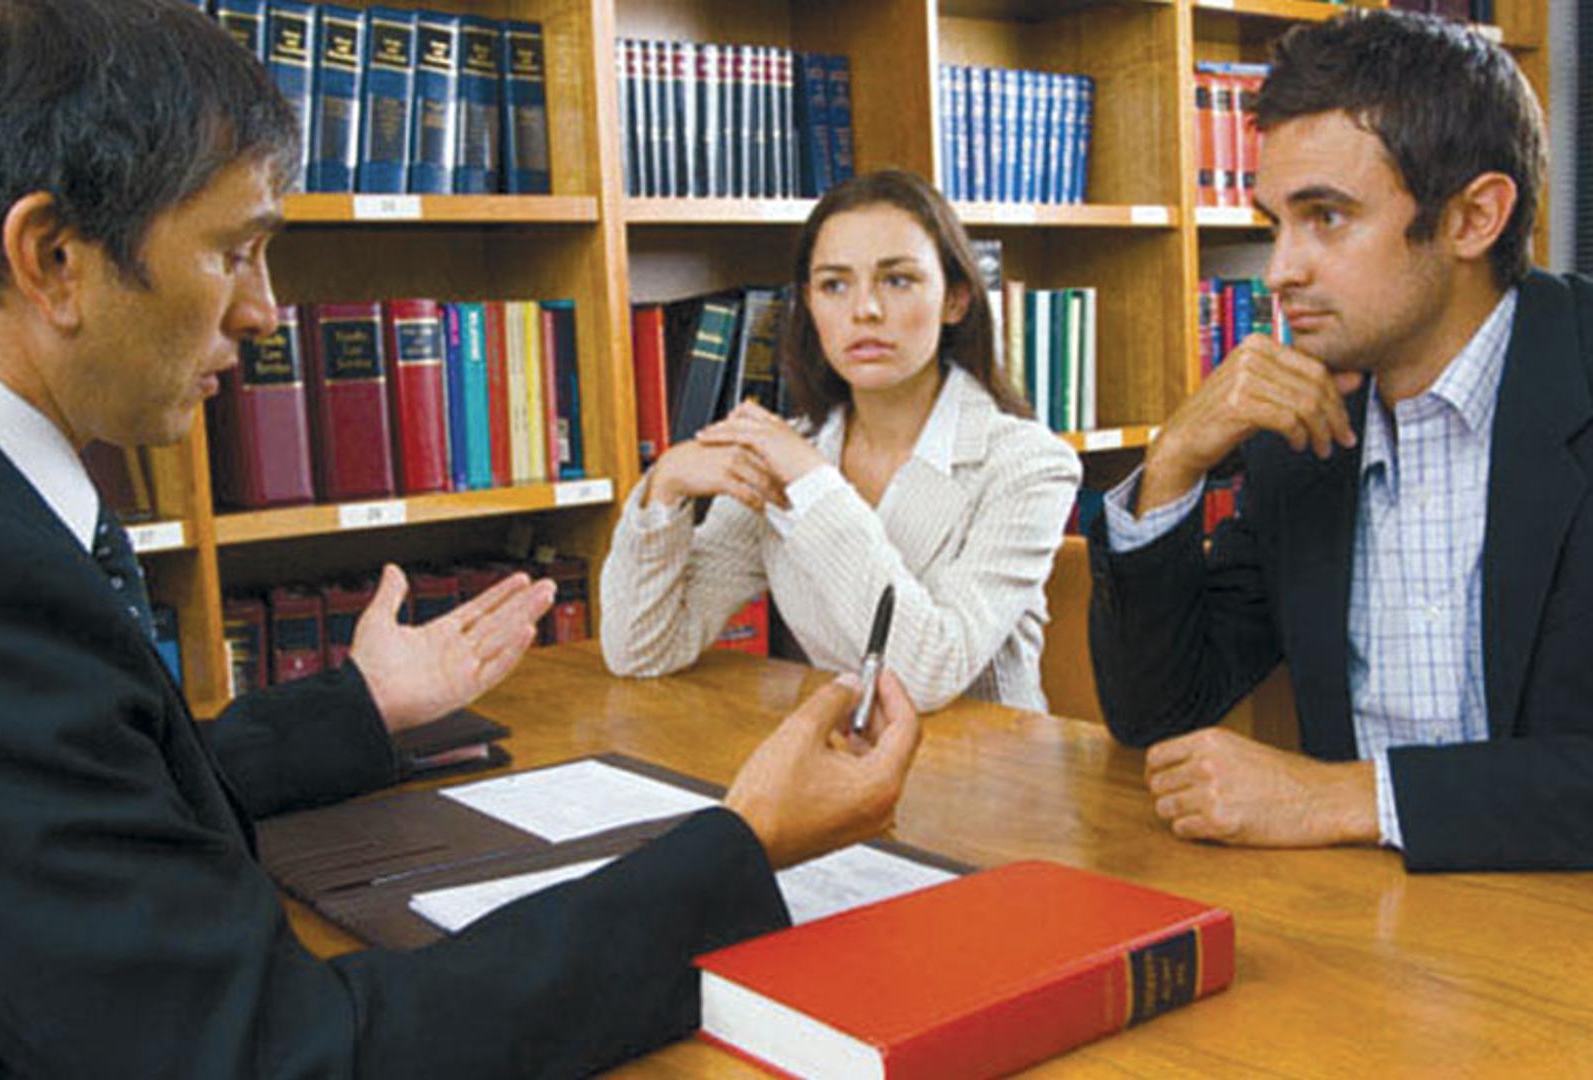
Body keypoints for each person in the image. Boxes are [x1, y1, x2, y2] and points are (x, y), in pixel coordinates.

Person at [0, 1, 923, 1075]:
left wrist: (359, 707)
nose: (263, 311)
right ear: (53, 258)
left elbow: (84, 796)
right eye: (234, 251)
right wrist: (744, 846)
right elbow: (281, 1057)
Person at [1087, 10, 1592, 872]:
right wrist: (1175, 461)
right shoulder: (1299, 430)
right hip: (1359, 918)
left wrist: (1346, 796)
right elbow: (1157, 713)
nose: (1280, 271)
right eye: (1274, 224)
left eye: (1326, 217)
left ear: (1475, 218)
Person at [601, 169, 1082, 713]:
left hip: (989, 759)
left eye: (897, 280)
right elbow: (641, 650)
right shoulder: (789, 455)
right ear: (808, 304)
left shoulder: (1030, 464)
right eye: (834, 285)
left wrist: (815, 484)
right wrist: (664, 486)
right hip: (843, 751)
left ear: (956, 299)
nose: (864, 310)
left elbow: (929, 675)